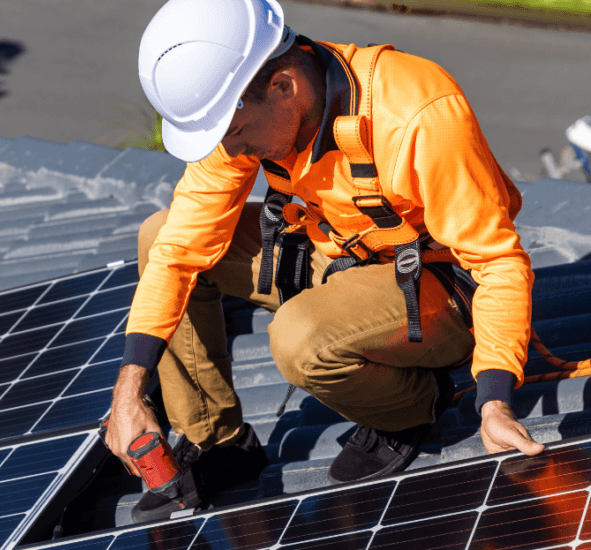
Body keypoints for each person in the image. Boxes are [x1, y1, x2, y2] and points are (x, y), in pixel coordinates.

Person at [105, 0, 545, 523]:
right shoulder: (243, 118)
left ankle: (409, 408)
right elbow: (177, 251)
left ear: (284, 86)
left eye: (234, 132)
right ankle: (219, 442)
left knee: (300, 337)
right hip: (341, 255)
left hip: (442, 288)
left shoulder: (417, 113)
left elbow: (496, 264)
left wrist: (494, 401)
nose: (228, 148)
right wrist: (129, 388)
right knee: (159, 236)